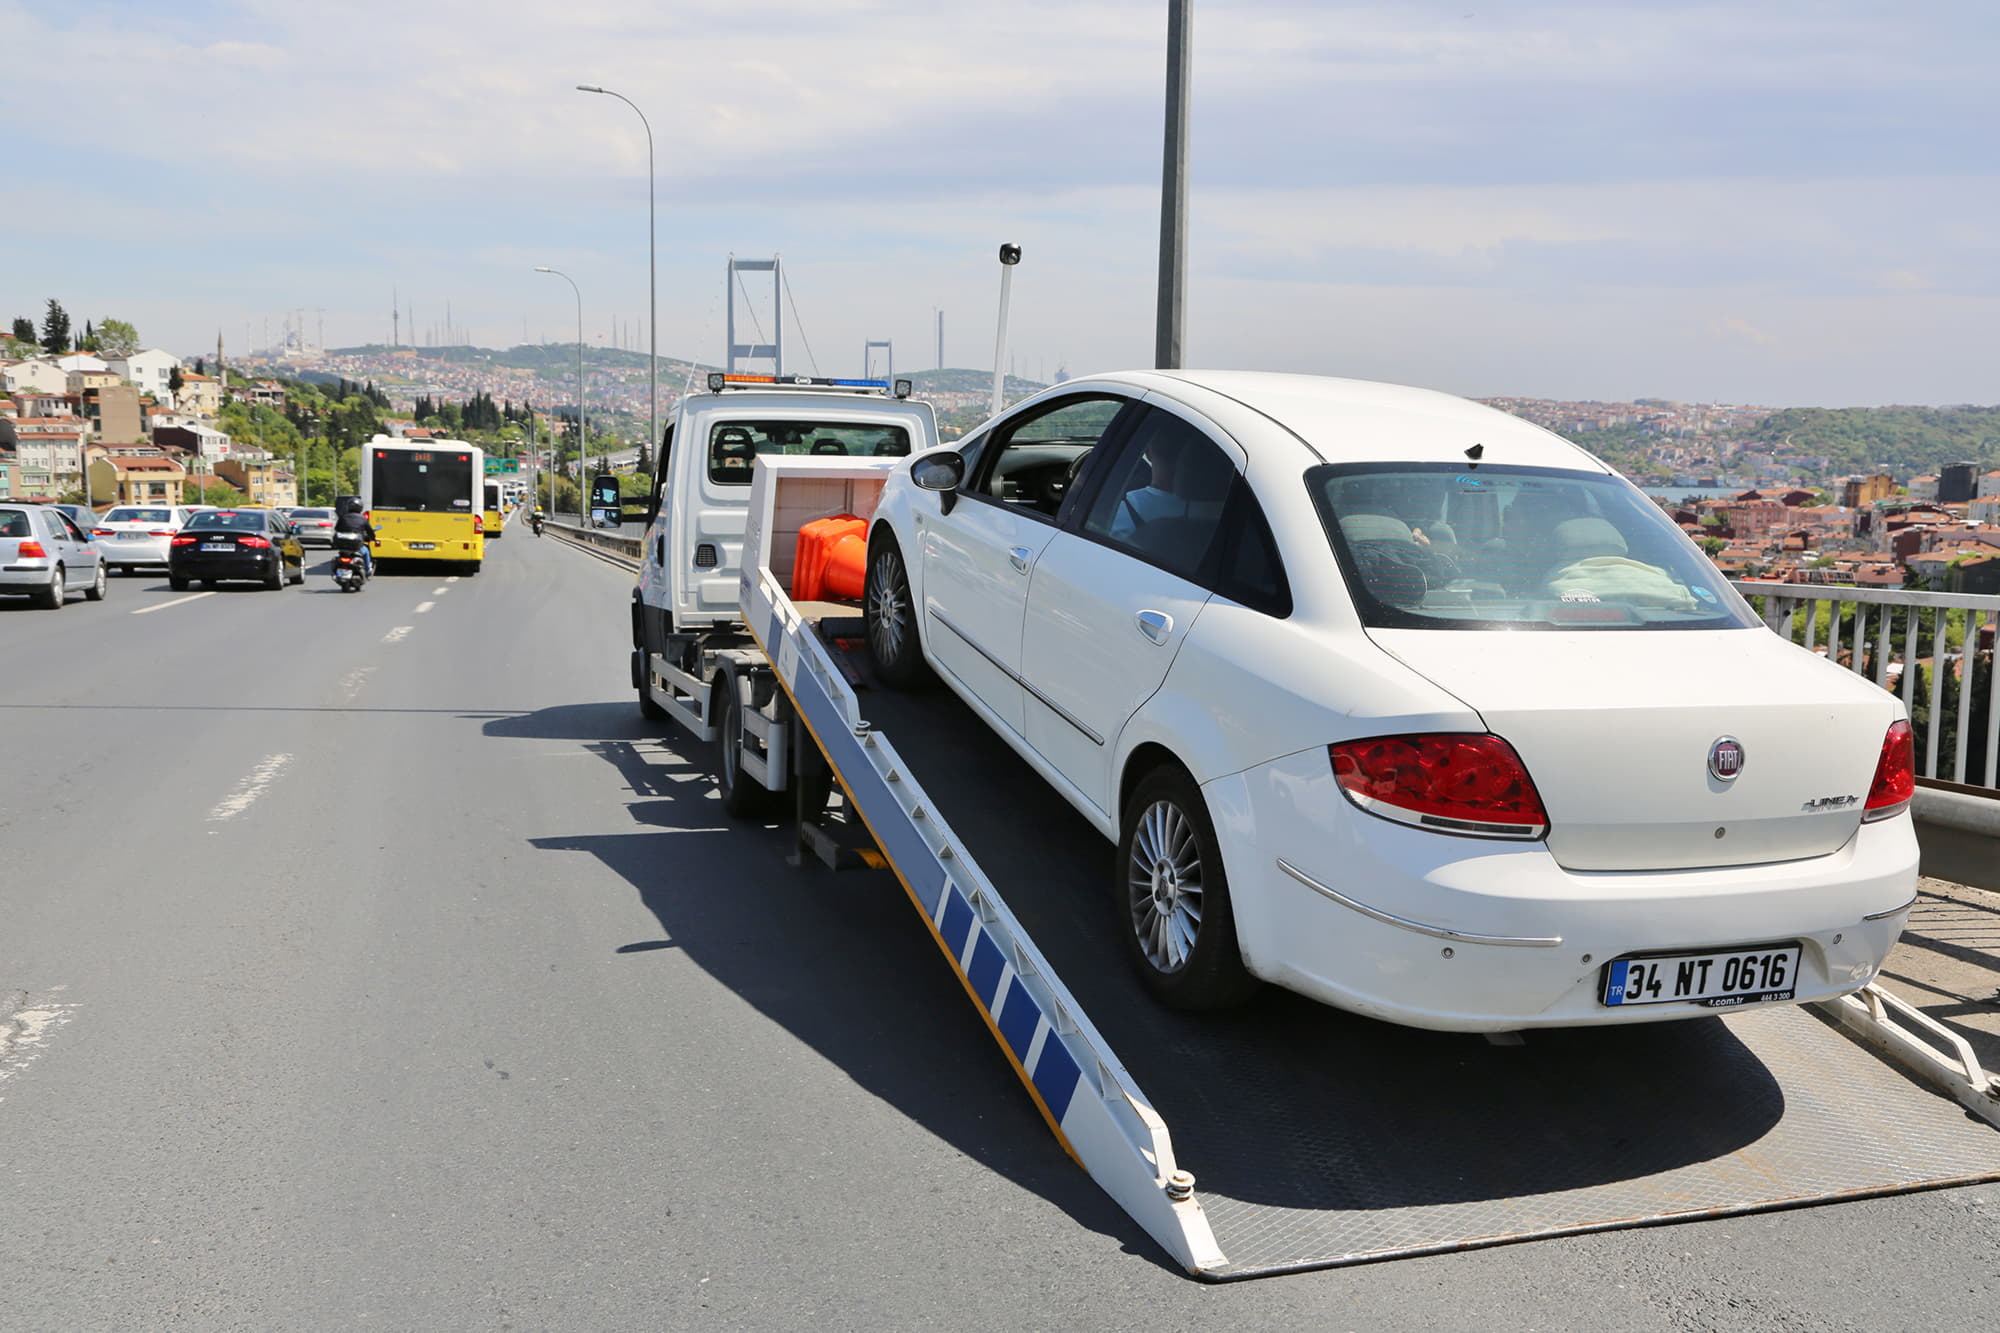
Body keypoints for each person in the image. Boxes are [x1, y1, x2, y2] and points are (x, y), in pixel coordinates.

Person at [330, 495, 377, 577]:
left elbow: (337, 528)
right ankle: (367, 570)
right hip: (356, 547)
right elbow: (369, 531)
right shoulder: (363, 519)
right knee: (366, 551)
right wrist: (373, 538)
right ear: (360, 508)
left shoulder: (343, 517)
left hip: (342, 547)